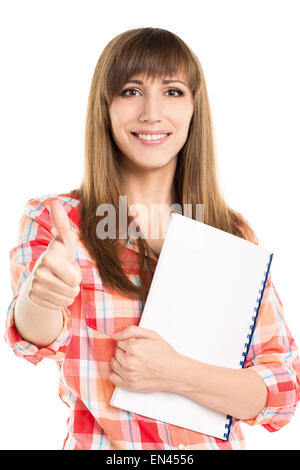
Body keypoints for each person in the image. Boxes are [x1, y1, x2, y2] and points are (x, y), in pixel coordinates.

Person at [5, 27, 300, 450]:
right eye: (130, 91)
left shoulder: (230, 233)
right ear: (104, 107)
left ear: (194, 109)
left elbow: (281, 389)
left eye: (173, 92)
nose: (151, 113)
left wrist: (176, 373)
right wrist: (43, 298)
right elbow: (37, 338)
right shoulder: (60, 221)